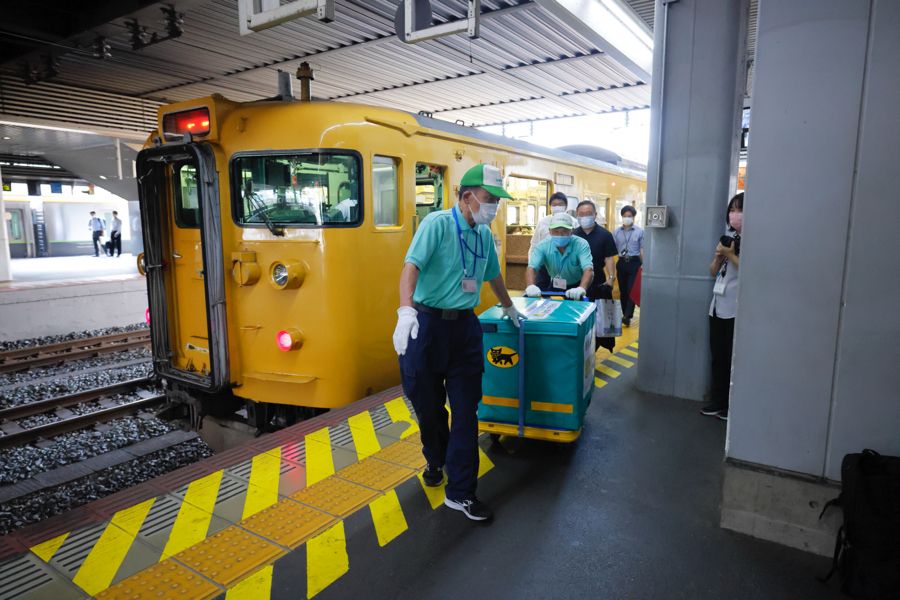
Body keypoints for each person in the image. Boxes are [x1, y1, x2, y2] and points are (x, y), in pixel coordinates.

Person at [393, 164, 522, 522]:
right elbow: (410, 268)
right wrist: (406, 312)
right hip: (428, 326)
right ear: (467, 197)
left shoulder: (483, 233)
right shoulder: (437, 225)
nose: (494, 206)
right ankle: (436, 459)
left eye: (497, 200)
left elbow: (492, 274)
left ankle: (461, 492)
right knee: (430, 408)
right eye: (489, 198)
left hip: (464, 329)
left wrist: (509, 307)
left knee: (466, 412)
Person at [701, 192, 744, 421]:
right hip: (717, 306)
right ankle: (717, 401)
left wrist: (731, 254)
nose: (734, 214)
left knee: (731, 359)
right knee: (717, 357)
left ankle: (731, 405)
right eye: (732, 209)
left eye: (739, 210)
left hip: (736, 310)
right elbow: (712, 271)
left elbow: (751, 270)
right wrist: (720, 256)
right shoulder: (730, 238)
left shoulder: (754, 240)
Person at [573, 200, 618, 352]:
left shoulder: (605, 235)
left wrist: (611, 278)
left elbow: (609, 258)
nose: (585, 217)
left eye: (588, 214)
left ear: (595, 215)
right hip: (576, 283)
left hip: (598, 282)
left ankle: (594, 348)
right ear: (577, 216)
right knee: (578, 316)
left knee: (600, 319)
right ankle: (579, 346)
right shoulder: (573, 235)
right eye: (581, 214)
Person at [524, 212, 593, 300]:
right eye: (556, 231)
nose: (560, 235)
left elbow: (588, 269)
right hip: (556, 284)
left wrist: (581, 288)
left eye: (564, 231)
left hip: (579, 285)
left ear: (571, 231)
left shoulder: (581, 244)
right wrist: (531, 286)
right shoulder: (543, 246)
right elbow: (531, 268)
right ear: (550, 231)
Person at [529, 192, 577, 289]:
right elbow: (534, 245)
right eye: (554, 205)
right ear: (550, 206)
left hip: (565, 264)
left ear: (566, 206)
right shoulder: (543, 222)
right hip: (544, 264)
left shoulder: (573, 222)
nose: (557, 207)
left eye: (560, 204)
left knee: (563, 293)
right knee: (541, 291)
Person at [613, 205, 644, 326]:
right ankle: (624, 311)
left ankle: (627, 315)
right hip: (621, 262)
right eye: (625, 216)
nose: (627, 218)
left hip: (634, 262)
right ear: (621, 217)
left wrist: (644, 264)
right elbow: (612, 249)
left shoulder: (640, 231)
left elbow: (642, 249)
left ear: (634, 217)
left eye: (629, 216)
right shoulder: (616, 232)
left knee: (631, 288)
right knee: (623, 290)